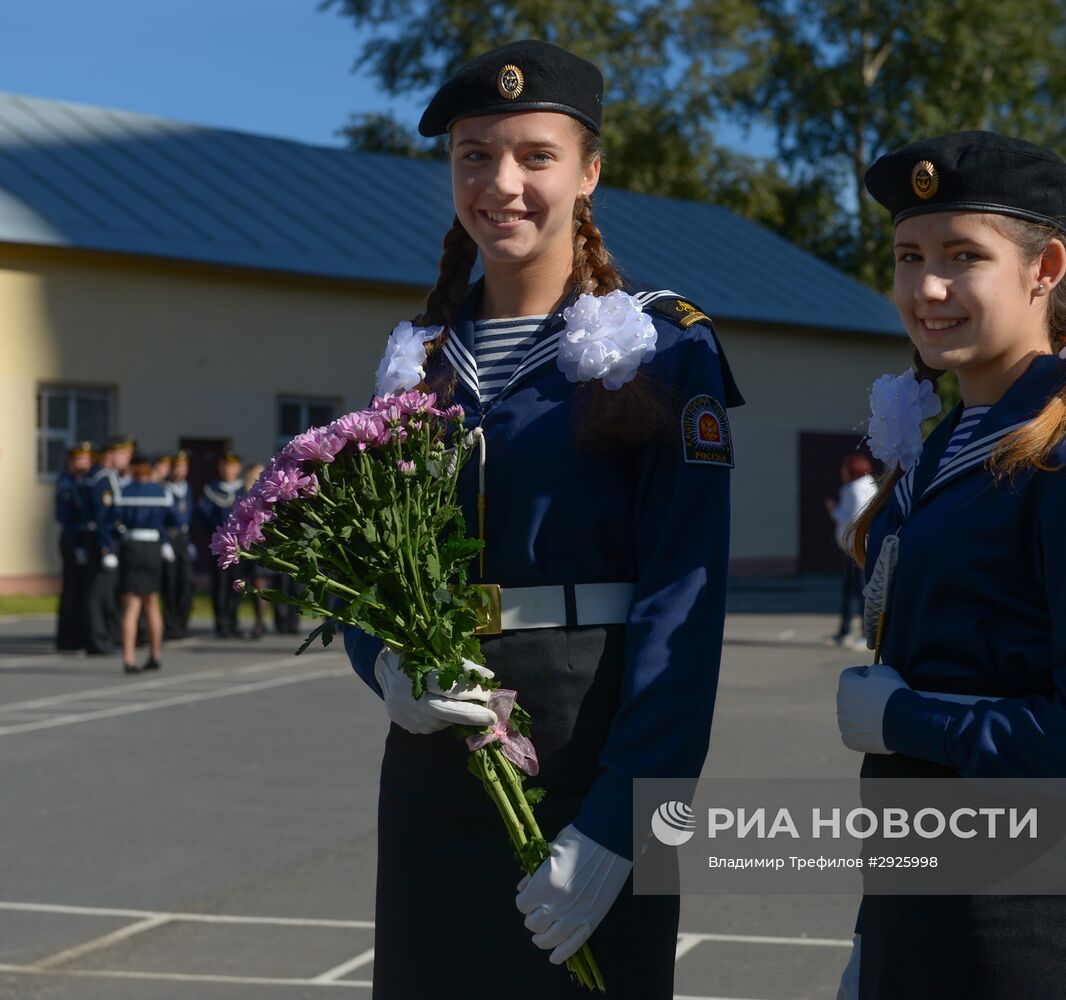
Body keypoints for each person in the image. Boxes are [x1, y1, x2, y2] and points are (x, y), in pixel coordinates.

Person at [340, 39, 742, 999]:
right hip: (436, 759)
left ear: (590, 172)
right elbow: (363, 568)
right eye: (474, 154)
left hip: (591, 751)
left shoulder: (662, 345)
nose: (500, 183)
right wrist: (384, 665)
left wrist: (625, 823)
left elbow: (685, 611)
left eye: (535, 155)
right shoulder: (418, 354)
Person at [833, 132, 1066, 1000]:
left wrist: (908, 722)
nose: (926, 287)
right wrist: (872, 935)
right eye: (908, 255)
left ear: (1045, 268)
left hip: (1013, 918)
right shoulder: (945, 446)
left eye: (965, 256)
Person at [114, 452, 180, 673]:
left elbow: (113, 518)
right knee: (152, 602)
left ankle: (129, 657)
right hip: (153, 547)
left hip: (131, 546)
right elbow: (174, 520)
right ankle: (155, 654)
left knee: (131, 605)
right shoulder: (162, 492)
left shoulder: (123, 492)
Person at [80, 436, 132, 655]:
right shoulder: (103, 479)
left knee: (107, 592)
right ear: (110, 455)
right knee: (99, 593)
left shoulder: (111, 477)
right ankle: (97, 639)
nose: (126, 458)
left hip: (110, 538)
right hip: (103, 540)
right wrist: (106, 548)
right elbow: (102, 517)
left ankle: (106, 636)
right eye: (122, 454)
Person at [825, 452, 876, 648]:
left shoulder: (856, 489)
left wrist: (833, 510)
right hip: (854, 548)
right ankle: (845, 631)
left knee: (860, 591)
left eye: (845, 468)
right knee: (851, 591)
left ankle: (864, 635)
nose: (842, 472)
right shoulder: (863, 486)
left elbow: (855, 517)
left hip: (857, 548)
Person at [198, 452, 244, 638]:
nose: (228, 470)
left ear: (238, 468)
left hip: (240, 547)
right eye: (225, 465)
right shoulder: (212, 490)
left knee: (238, 584)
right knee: (220, 584)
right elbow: (203, 516)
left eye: (232, 466)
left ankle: (233, 621)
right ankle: (221, 622)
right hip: (220, 545)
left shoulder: (243, 489)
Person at [54, 442, 93, 651]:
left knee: (84, 591)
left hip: (85, 539)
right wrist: (77, 545)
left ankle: (81, 635)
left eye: (86, 459)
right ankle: (67, 639)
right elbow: (65, 517)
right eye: (79, 459)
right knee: (71, 591)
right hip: (72, 539)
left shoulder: (87, 481)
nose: (83, 463)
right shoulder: (66, 483)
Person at [162, 450, 196, 639]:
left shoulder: (186, 488)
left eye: (184, 467)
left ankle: (182, 623)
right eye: (177, 467)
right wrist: (165, 543)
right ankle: (171, 624)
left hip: (183, 537)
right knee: (170, 582)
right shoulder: (165, 488)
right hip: (170, 536)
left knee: (187, 582)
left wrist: (190, 542)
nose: (181, 471)